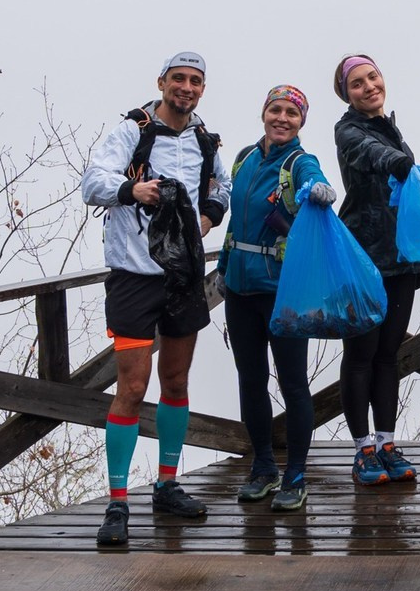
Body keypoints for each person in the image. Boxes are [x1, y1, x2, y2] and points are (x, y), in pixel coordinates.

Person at [80, 51, 231, 547]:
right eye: (179, 79)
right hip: (134, 275)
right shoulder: (133, 130)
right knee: (131, 386)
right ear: (162, 82)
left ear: (202, 89)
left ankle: (167, 484)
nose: (186, 88)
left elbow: (221, 185)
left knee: (177, 379)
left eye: (195, 82)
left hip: (183, 275)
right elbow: (92, 184)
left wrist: (209, 215)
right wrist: (132, 190)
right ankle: (118, 501)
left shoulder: (205, 138)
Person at [219, 85, 334, 513]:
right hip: (239, 289)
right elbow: (235, 220)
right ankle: (263, 467)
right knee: (250, 381)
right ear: (263, 112)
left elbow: (316, 181)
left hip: (284, 291)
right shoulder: (246, 158)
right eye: (275, 109)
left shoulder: (300, 162)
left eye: (292, 113)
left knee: (293, 383)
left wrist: (320, 191)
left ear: (302, 121)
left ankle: (296, 475)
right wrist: (223, 270)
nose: (282, 118)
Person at [333, 54, 420, 487]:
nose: (368, 86)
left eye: (373, 77)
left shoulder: (394, 130)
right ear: (346, 93)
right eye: (357, 83)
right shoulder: (349, 130)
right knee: (360, 356)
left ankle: (387, 444)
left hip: (401, 261)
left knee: (389, 356)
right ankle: (362, 450)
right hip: (363, 259)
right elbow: (372, 155)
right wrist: (403, 164)